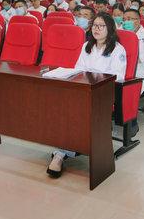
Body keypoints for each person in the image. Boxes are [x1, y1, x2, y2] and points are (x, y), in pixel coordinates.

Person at [47, 12, 127, 179]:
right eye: (94, 26)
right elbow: (79, 69)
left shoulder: (117, 49)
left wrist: (95, 77)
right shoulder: (86, 46)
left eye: (101, 26)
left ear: (110, 29)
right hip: (85, 90)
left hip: (104, 93)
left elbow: (119, 76)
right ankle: (64, 149)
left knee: (75, 111)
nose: (96, 29)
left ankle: (60, 154)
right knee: (61, 106)